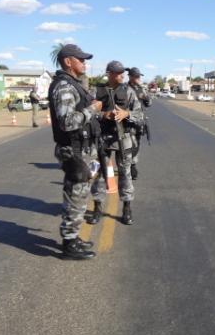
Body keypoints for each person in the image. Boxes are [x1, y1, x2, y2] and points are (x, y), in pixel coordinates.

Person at [48, 44, 102, 260]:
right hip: (74, 151)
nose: (84, 63)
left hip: (82, 149)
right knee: (75, 198)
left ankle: (74, 237)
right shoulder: (64, 87)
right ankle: (69, 245)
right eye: (81, 59)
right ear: (68, 61)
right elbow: (68, 122)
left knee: (79, 197)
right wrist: (93, 109)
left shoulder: (74, 85)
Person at [87, 61, 142, 226]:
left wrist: (127, 113)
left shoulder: (129, 91)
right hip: (101, 138)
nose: (122, 75)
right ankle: (97, 208)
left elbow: (139, 115)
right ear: (109, 73)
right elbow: (86, 113)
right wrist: (104, 115)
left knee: (125, 174)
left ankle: (126, 208)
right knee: (98, 174)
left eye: (122, 73)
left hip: (122, 139)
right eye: (118, 73)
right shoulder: (96, 91)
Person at [126, 67, 152, 180]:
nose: (138, 78)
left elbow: (149, 104)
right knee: (130, 146)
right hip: (129, 123)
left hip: (140, 123)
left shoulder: (141, 89)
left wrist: (145, 96)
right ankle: (131, 167)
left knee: (137, 145)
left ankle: (133, 164)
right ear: (130, 77)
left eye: (139, 76)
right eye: (136, 76)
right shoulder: (125, 89)